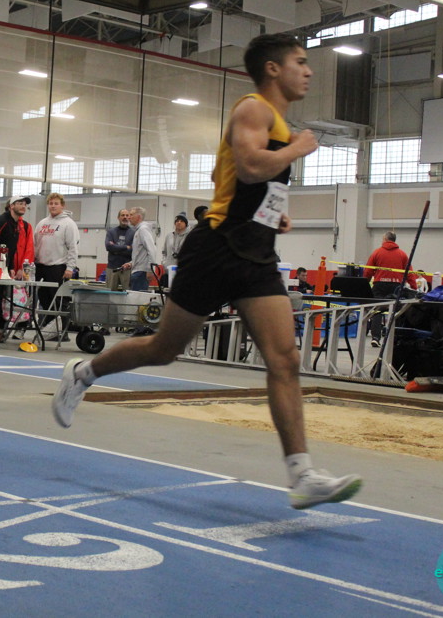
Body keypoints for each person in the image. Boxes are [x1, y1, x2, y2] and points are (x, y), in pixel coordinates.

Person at [52, 33, 361, 511]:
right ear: (273, 68)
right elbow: (251, 165)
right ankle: (84, 371)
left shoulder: (279, 122)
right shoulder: (254, 109)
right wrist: (298, 150)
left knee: (284, 359)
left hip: (257, 252)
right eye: (300, 62)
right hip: (216, 248)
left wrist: (271, 214)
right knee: (164, 349)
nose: (309, 70)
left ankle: (302, 474)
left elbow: (231, 178)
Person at [0, 195, 35, 342]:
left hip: (3, 263)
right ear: (11, 206)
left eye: (24, 204)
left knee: (0, 295)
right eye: (19, 203)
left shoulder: (16, 224)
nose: (23, 206)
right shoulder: (2, 221)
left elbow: (10, 249)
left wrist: (10, 267)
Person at [33, 192, 79, 340]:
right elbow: (35, 244)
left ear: (62, 205)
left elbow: (73, 247)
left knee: (59, 302)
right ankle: (49, 331)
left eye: (56, 203)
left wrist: (70, 268)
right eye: (51, 203)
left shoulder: (68, 224)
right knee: (44, 301)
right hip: (41, 267)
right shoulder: (42, 223)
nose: (53, 206)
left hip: (58, 267)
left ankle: (62, 333)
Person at [363, 231, 417, 347]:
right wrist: (414, 288)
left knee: (377, 310)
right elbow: (409, 273)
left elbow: (368, 271)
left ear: (385, 239)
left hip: (379, 286)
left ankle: (375, 337)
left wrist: (365, 283)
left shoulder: (377, 252)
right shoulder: (402, 255)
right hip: (396, 287)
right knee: (398, 311)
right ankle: (395, 337)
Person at [126, 207, 158, 292]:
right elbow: (140, 253)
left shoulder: (143, 229)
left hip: (141, 272)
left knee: (137, 299)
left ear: (138, 217)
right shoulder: (139, 230)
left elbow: (152, 249)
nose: (129, 217)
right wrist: (131, 263)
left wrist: (150, 270)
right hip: (137, 271)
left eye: (131, 215)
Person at [104, 209, 134, 291]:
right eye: (123, 215)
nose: (125, 217)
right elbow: (108, 247)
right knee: (109, 293)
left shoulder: (133, 233)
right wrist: (126, 247)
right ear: (118, 217)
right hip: (112, 268)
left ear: (129, 217)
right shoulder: (111, 232)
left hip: (127, 269)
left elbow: (133, 250)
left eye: (127, 215)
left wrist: (115, 248)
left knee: (128, 293)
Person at [160, 211, 189, 288]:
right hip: (168, 270)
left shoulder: (189, 236)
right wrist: (164, 263)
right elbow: (164, 252)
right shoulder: (169, 236)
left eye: (182, 221)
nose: (179, 222)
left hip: (182, 271)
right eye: (177, 221)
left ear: (186, 224)